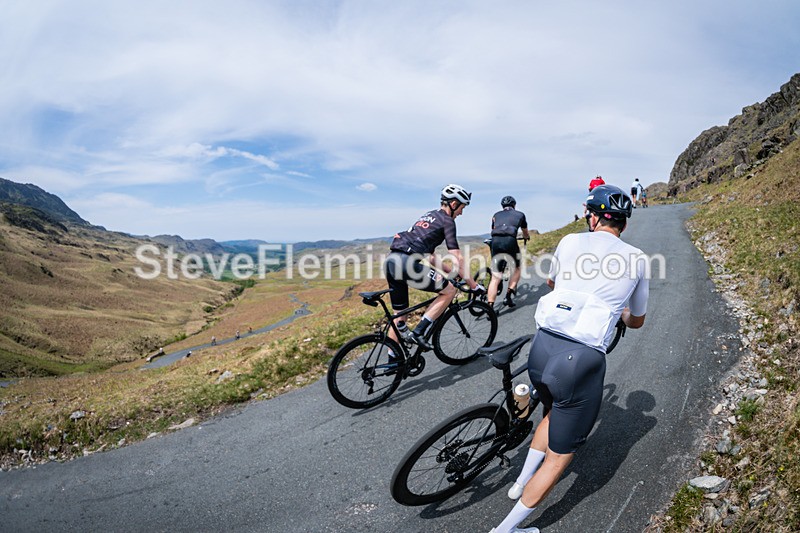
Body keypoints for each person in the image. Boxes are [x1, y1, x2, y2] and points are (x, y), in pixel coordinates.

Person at [489, 185, 649, 533]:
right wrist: (619, 312)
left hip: (543, 346)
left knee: (550, 411)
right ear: (623, 223)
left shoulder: (569, 241)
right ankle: (505, 531)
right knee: (560, 456)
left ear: (592, 218)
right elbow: (637, 320)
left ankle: (520, 482)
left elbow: (552, 282)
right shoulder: (637, 258)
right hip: (580, 359)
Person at [384, 184, 483, 351]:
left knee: (400, 316)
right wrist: (474, 286)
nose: (461, 213)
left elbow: (430, 257)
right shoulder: (448, 221)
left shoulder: (429, 215)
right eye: (462, 208)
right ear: (453, 204)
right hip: (407, 263)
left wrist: (450, 272)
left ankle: (393, 358)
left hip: (391, 261)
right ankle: (419, 333)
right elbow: (457, 257)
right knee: (449, 291)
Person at [488, 196, 530, 308]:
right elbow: (525, 232)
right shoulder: (520, 214)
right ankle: (508, 296)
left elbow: (493, 229)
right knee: (517, 268)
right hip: (510, 241)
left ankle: (489, 307)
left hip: (495, 241)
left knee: (495, 276)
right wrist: (526, 237)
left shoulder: (496, 215)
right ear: (514, 205)